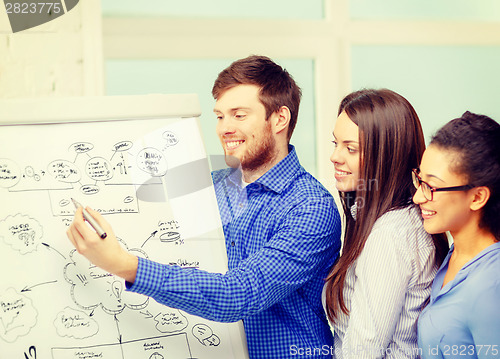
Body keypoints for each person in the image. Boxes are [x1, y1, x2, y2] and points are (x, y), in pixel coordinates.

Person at [66, 55, 342, 358]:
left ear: (279, 119)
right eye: (220, 116)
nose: (224, 128)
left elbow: (238, 294)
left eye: (239, 115)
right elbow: (144, 211)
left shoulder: (310, 207)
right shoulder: (209, 185)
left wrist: (123, 264)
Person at [323, 89, 449, 358]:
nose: (335, 156)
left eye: (350, 148)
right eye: (335, 143)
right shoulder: (386, 218)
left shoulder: (390, 234)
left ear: (387, 156)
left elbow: (363, 352)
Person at [413, 111, 500, 358]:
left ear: (477, 197)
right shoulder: (455, 254)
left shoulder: (491, 287)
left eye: (432, 186)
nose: (418, 196)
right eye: (419, 181)